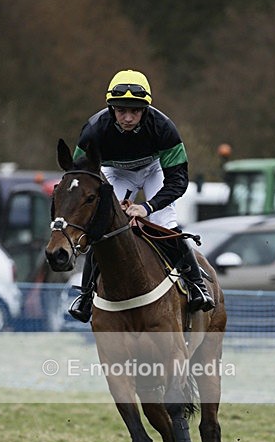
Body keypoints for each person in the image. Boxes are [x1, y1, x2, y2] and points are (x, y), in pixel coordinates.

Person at [68, 68, 215, 322]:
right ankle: (86, 295)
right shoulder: (93, 130)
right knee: (101, 228)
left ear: (145, 109)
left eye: (134, 111)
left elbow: (178, 182)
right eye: (121, 110)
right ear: (111, 108)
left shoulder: (164, 129)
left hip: (153, 170)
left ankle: (195, 285)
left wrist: (145, 207)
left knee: (165, 225)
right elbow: (81, 177)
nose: (127, 118)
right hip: (115, 172)